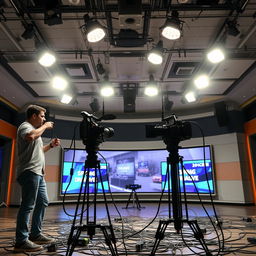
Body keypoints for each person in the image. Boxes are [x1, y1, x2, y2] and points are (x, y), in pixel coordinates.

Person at [14, 105, 61, 253]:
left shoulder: (35, 132)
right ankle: (21, 241)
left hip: (38, 173)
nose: (44, 119)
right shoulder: (25, 126)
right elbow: (30, 136)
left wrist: (51, 146)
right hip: (29, 172)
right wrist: (46, 126)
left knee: (43, 201)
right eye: (42, 116)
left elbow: (38, 150)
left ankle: (35, 234)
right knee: (28, 205)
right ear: (33, 116)